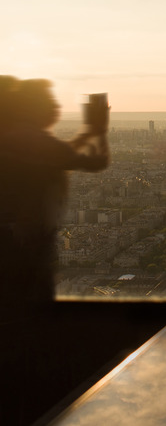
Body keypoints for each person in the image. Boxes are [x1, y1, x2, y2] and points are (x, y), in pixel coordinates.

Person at [0, 77, 110, 425]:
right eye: (49, 102)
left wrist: (86, 132)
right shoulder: (27, 138)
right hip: (22, 260)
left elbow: (57, 155)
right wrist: (100, 130)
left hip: (16, 257)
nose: (56, 108)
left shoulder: (18, 138)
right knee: (27, 351)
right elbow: (95, 161)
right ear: (31, 108)